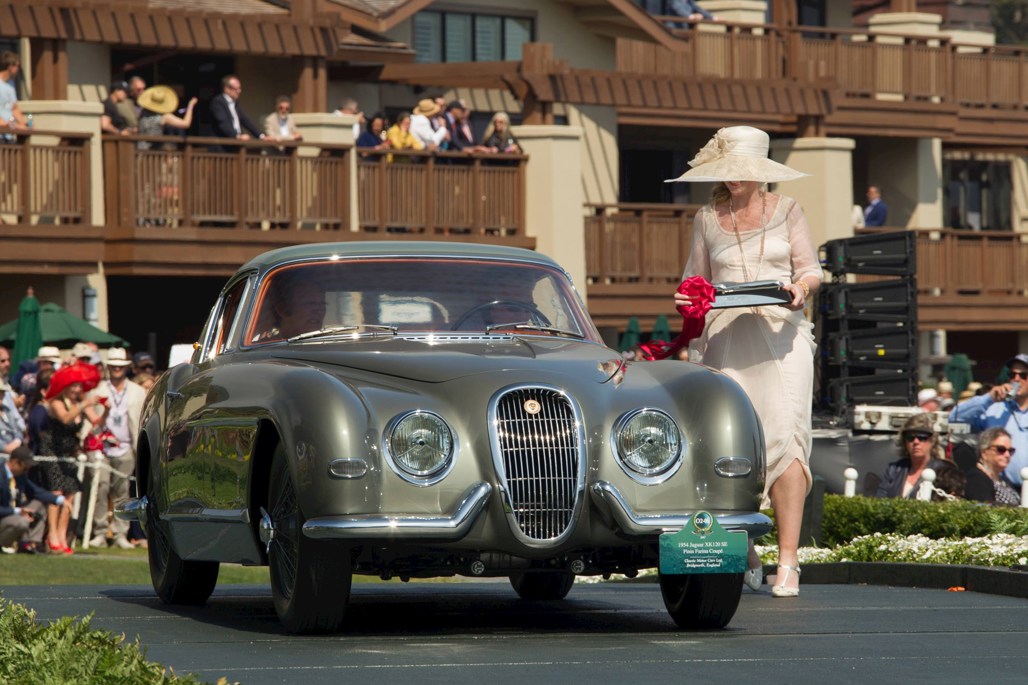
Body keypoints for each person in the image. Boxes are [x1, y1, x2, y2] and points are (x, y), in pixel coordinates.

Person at [668, 125, 820, 598]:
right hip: (725, 338)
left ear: (760, 171)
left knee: (788, 438)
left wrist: (801, 288)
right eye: (727, 168)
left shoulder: (789, 209)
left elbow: (811, 269)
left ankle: (789, 560)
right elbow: (694, 280)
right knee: (727, 443)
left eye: (742, 169)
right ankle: (743, 547)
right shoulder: (705, 218)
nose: (733, 176)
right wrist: (685, 298)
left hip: (781, 336)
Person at [88, 348, 145, 548]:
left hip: (126, 446)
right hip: (102, 447)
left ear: (126, 367)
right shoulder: (98, 390)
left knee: (122, 492)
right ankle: (100, 532)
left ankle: (121, 533)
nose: (117, 369)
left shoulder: (137, 391)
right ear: (108, 366)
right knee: (101, 488)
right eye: (113, 365)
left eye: (120, 366)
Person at [948, 353, 1028, 487]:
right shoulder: (995, 408)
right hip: (1001, 487)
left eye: (1023, 375)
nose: (1016, 379)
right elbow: (954, 418)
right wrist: (989, 398)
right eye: (1012, 375)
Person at [1, 446, 68, 554]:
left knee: (38, 505)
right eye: (25, 468)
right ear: (15, 462)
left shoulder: (19, 477)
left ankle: (31, 544)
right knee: (21, 522)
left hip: (11, 515)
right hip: (4, 516)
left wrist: (61, 500)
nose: (26, 471)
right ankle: (4, 545)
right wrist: (18, 511)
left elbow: (36, 492)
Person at [875, 413, 950, 499]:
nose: (916, 442)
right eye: (910, 437)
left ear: (932, 441)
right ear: (904, 442)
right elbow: (880, 499)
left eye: (922, 437)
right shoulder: (893, 470)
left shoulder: (943, 472)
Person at [964, 427, 1021, 506]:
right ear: (984, 452)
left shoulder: (1004, 480)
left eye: (1010, 451)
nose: (1007, 455)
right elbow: (983, 509)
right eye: (1001, 449)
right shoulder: (977, 478)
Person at [209, 74, 264, 144]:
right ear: (227, 89)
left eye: (240, 88)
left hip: (235, 144)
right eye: (236, 89)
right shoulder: (218, 102)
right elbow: (223, 123)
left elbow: (246, 121)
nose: (239, 91)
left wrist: (261, 136)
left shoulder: (235, 104)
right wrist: (237, 136)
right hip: (222, 146)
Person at [0, 50, 29, 139]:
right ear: (10, 66)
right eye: (17, 66)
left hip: (9, 135)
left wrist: (24, 123)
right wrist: (12, 125)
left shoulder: (11, 84)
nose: (18, 69)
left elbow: (14, 108)